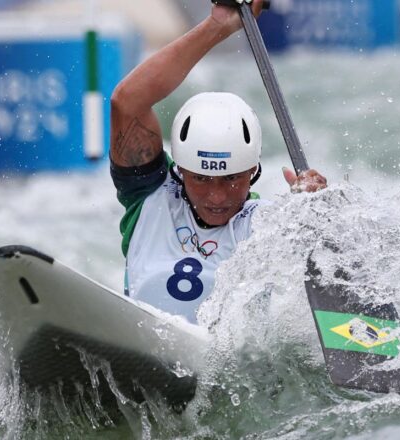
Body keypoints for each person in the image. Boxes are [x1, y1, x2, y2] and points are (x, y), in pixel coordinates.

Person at [109, 0, 327, 323]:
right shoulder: (148, 197)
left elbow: (324, 260)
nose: (217, 197)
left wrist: (320, 214)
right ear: (180, 170)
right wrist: (218, 27)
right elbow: (126, 102)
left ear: (253, 170)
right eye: (201, 179)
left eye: (231, 179)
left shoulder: (269, 227)